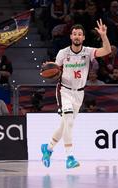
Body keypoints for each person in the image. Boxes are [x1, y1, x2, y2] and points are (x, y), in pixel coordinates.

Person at [41, 19, 111, 169]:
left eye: (80, 34)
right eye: (74, 34)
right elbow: (54, 70)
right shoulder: (63, 53)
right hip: (64, 90)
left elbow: (107, 51)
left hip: (79, 93)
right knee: (69, 122)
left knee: (65, 124)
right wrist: (48, 68)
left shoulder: (88, 52)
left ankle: (48, 148)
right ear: (71, 37)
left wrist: (103, 36)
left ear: (83, 37)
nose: (77, 36)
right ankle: (69, 157)